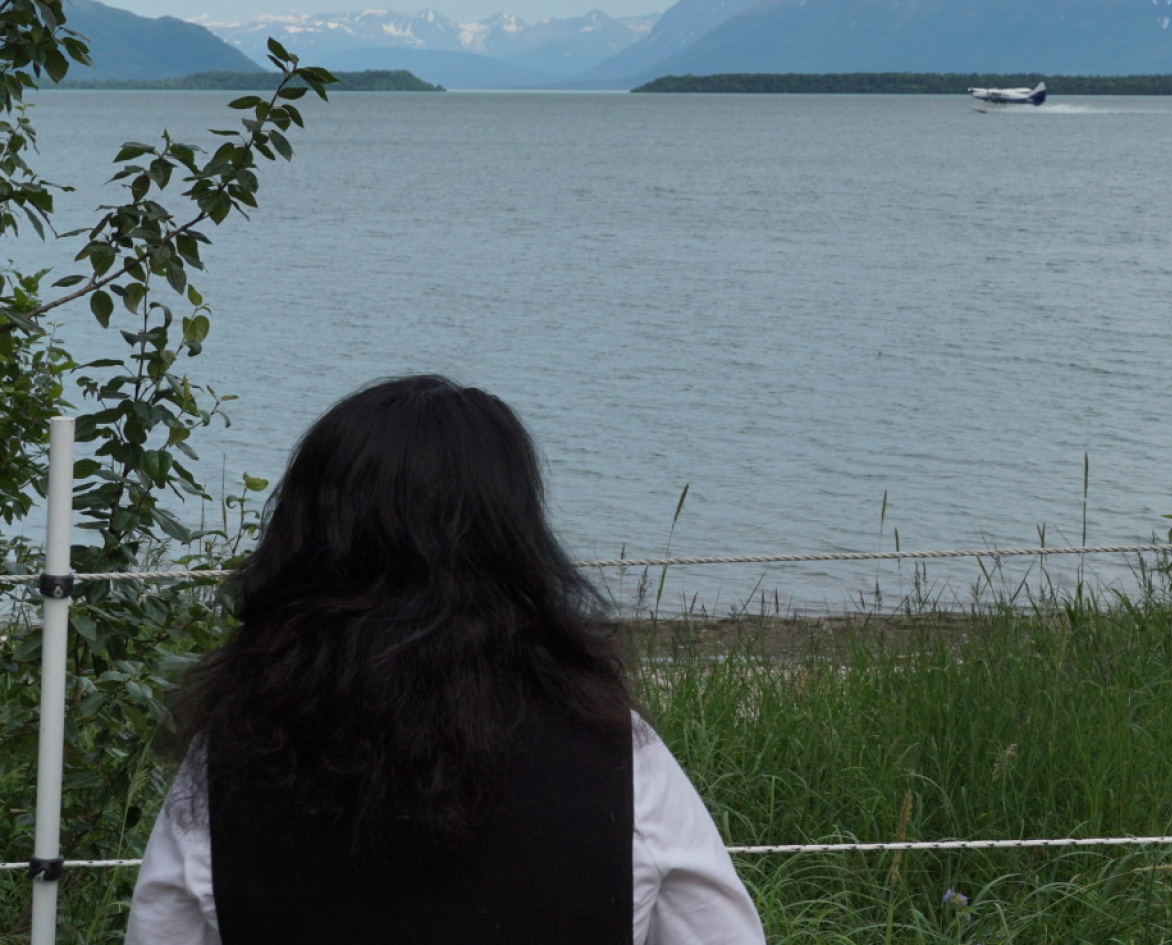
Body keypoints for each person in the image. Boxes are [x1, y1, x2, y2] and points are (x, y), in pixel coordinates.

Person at [125, 375, 764, 945]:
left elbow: (162, 931)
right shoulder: (614, 751)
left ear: (306, 541)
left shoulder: (234, 756)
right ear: (516, 543)